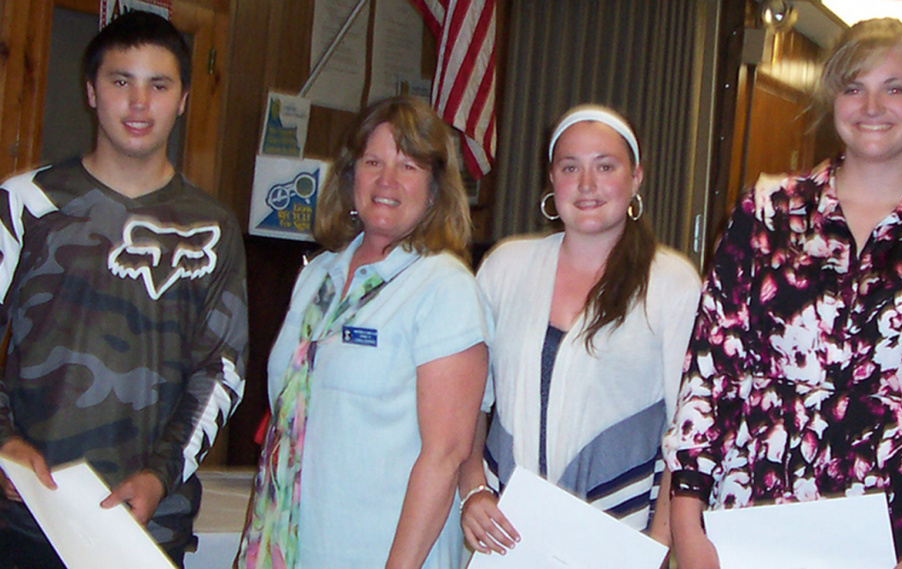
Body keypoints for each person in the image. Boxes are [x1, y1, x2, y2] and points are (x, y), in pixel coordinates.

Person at [664, 18, 902, 569]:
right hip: (758, 509)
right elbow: (711, 370)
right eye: (853, 86)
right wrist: (688, 519)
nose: (872, 105)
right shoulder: (768, 211)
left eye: (894, 87)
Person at [0, 10, 248, 569]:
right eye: (121, 82)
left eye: (158, 85)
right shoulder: (25, 204)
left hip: (149, 527)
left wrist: (160, 476)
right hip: (28, 518)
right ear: (91, 92)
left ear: (182, 98)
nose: (139, 103)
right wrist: (2, 444)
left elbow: (222, 369)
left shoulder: (213, 228)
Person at [235, 95, 490, 569]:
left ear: (435, 188)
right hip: (290, 547)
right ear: (350, 175)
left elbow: (446, 454)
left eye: (408, 165)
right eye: (373, 161)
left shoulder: (444, 289)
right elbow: (285, 432)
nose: (387, 180)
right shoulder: (318, 276)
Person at [458, 105, 701, 556]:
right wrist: (473, 487)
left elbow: (686, 429)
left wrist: (658, 544)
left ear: (636, 177)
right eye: (571, 167)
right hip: (506, 533)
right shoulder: (505, 268)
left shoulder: (672, 284)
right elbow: (468, 401)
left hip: (617, 533)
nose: (586, 185)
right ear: (552, 180)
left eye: (605, 166)